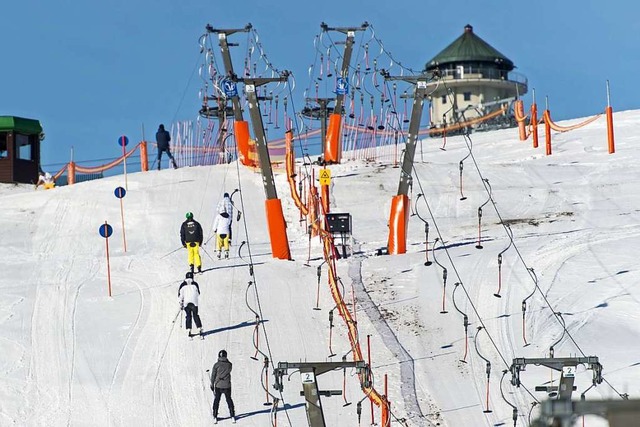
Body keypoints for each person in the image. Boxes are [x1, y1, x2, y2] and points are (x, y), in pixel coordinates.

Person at [210, 349, 236, 424]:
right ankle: (232, 415)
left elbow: (213, 376)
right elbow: (230, 368)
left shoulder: (216, 365)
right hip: (227, 385)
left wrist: (212, 384)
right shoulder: (229, 364)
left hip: (218, 385)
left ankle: (215, 416)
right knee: (229, 399)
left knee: (217, 400)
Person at [178, 271, 203, 337]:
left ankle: (188, 330)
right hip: (194, 302)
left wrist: (181, 304)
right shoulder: (195, 284)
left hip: (186, 303)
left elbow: (180, 295)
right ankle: (199, 328)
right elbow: (198, 293)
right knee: (195, 315)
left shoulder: (182, 284)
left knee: (188, 316)